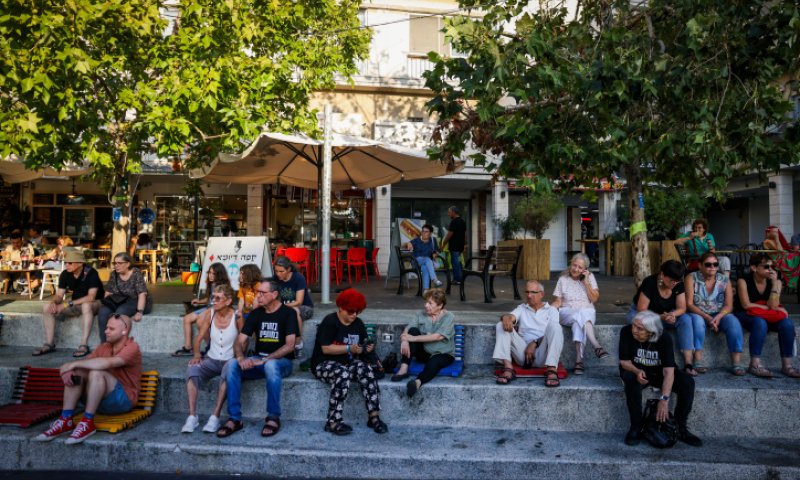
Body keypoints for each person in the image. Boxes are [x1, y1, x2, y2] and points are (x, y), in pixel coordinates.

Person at [35, 313, 142, 444]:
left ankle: (87, 422)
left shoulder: (132, 347)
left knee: (96, 372)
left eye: (111, 329)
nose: (106, 331)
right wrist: (70, 370)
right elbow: (85, 364)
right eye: (107, 327)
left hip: (123, 401)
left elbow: (108, 363)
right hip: (99, 402)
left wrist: (72, 364)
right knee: (79, 371)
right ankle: (65, 420)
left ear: (124, 331)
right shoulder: (104, 347)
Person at [216, 280, 298, 438]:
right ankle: (235, 418)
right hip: (258, 360)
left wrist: (266, 359)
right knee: (232, 364)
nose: (258, 296)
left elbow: (290, 345)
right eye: (257, 292)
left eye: (262, 293)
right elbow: (239, 341)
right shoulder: (256, 314)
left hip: (282, 363)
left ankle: (273, 417)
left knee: (270, 365)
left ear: (274, 295)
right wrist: (240, 357)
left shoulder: (288, 313)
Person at [310, 288, 387, 436]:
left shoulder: (358, 323)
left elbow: (361, 345)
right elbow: (326, 349)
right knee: (343, 374)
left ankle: (374, 417)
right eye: (350, 311)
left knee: (365, 369)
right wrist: (349, 348)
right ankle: (333, 421)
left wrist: (366, 348)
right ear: (341, 308)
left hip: (347, 362)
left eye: (357, 312)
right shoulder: (330, 321)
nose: (354, 315)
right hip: (323, 364)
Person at [619, 311, 702, 447]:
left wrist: (664, 399)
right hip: (636, 371)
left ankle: (680, 427)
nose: (634, 330)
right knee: (630, 380)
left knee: (687, 383)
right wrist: (637, 370)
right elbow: (624, 362)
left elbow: (669, 371)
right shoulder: (626, 332)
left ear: (651, 332)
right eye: (634, 325)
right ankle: (636, 427)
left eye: (639, 328)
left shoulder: (664, 338)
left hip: (659, 373)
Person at [182, 285, 243, 434]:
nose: (213, 301)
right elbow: (200, 337)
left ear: (228, 301)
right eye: (213, 297)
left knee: (228, 373)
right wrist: (197, 355)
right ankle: (192, 416)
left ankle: (215, 416)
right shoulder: (211, 314)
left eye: (218, 298)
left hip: (229, 361)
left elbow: (243, 341)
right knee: (192, 369)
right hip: (212, 359)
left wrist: (238, 357)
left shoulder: (237, 317)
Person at [627, 260, 703, 376]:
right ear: (662, 275)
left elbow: (682, 308)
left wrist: (673, 315)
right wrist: (660, 317)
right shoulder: (650, 282)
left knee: (685, 319)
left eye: (677, 280)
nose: (674, 283)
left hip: (665, 313)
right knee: (644, 323)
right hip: (642, 313)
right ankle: (655, 363)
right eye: (672, 280)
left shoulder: (678, 284)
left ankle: (688, 364)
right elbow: (641, 309)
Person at [734, 253, 800, 378]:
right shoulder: (743, 281)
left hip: (766, 315)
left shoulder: (776, 282)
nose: (770, 270)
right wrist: (766, 307)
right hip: (745, 314)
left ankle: (787, 365)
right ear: (754, 268)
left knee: (787, 324)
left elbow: (774, 305)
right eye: (766, 267)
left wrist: (775, 283)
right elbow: (746, 305)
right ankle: (754, 365)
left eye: (772, 267)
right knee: (760, 323)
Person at [32, 249, 104, 358]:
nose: (66, 265)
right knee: (47, 307)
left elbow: (91, 297)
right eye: (65, 262)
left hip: (95, 303)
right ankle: (49, 344)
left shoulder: (91, 272)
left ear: (80, 263)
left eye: (70, 263)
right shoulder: (65, 274)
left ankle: (83, 344)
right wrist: (53, 302)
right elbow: (59, 296)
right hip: (75, 304)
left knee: (86, 305)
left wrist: (67, 304)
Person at [493, 280, 564, 387]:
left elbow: (554, 333)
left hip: (543, 355)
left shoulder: (551, 310)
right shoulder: (522, 308)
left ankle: (551, 370)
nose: (529, 295)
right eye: (527, 292)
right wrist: (505, 317)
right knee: (500, 325)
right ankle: (508, 368)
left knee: (556, 326)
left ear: (541, 294)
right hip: (522, 353)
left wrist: (535, 342)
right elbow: (511, 317)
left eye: (533, 292)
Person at [685, 252, 745, 375]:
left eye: (715, 264)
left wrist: (718, 316)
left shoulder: (725, 280)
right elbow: (689, 304)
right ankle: (698, 360)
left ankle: (737, 363)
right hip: (698, 313)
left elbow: (729, 305)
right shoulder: (691, 277)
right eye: (708, 264)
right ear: (700, 265)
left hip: (719, 314)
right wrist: (707, 317)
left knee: (733, 321)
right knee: (697, 321)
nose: (712, 267)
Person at [551, 252, 609, 375]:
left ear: (585, 269)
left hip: (586, 312)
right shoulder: (563, 279)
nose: (576, 269)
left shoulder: (590, 277)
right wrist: (549, 310)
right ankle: (596, 345)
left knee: (579, 321)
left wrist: (586, 282)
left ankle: (579, 361)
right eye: (574, 265)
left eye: (580, 267)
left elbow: (594, 299)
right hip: (567, 312)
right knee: (581, 314)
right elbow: (558, 301)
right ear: (570, 264)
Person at [390, 288, 455, 397]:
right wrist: (405, 340)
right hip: (424, 353)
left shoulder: (449, 317)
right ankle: (403, 369)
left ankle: (417, 383)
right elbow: (408, 329)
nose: (426, 305)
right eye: (426, 302)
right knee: (412, 331)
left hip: (443, 353)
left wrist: (412, 338)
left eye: (430, 303)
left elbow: (438, 336)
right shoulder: (420, 315)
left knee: (434, 363)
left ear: (440, 305)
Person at [173, 262, 231, 356]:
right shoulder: (211, 284)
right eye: (209, 273)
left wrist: (207, 311)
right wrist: (199, 301)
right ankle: (188, 348)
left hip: (217, 309)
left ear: (219, 274)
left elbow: (220, 303)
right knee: (187, 318)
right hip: (209, 307)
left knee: (200, 321)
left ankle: (211, 347)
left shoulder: (223, 286)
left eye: (213, 274)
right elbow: (209, 299)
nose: (210, 275)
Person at [97, 252, 152, 343]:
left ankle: (118, 344)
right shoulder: (114, 274)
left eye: (120, 263)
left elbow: (142, 294)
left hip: (135, 300)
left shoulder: (136, 274)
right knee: (103, 312)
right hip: (118, 299)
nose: (116, 266)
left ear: (128, 264)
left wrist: (140, 311)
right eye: (115, 263)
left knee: (119, 314)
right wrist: (107, 304)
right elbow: (108, 291)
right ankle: (105, 344)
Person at [273, 256, 311, 355]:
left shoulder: (298, 278)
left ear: (289, 269)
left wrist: (280, 307)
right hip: (285, 307)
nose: (278, 274)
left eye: (281, 271)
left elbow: (299, 302)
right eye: (276, 271)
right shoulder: (275, 278)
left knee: (294, 311)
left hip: (304, 307)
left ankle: (298, 344)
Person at [403, 224, 443, 289]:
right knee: (427, 259)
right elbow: (406, 244)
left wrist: (435, 254)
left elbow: (437, 250)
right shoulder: (416, 240)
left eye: (426, 231)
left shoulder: (433, 240)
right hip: (416, 262)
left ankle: (425, 291)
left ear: (430, 233)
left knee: (425, 268)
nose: (423, 233)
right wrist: (408, 243)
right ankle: (434, 279)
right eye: (423, 231)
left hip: (427, 264)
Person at [763, 225, 800, 291]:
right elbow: (780, 251)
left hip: (784, 257)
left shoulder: (774, 240)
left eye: (777, 231)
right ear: (769, 232)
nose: (776, 232)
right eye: (774, 231)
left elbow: (783, 250)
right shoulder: (767, 242)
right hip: (781, 259)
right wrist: (776, 237)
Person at [441, 206, 466, 285]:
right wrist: (464, 244)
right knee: (457, 262)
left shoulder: (454, 222)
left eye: (449, 212)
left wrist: (443, 243)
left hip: (454, 246)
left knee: (455, 263)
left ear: (454, 212)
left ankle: (458, 279)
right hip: (460, 246)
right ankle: (458, 278)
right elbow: (464, 234)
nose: (448, 214)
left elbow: (449, 235)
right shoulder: (462, 221)